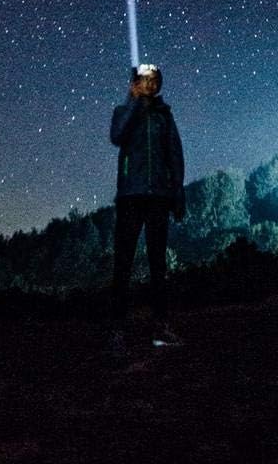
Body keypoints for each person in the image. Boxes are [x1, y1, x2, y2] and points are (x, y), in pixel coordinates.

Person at [106, 62, 186, 356]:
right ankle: (117, 332)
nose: (149, 84)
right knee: (123, 264)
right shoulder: (123, 111)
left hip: (158, 197)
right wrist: (133, 102)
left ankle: (161, 328)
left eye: (153, 79)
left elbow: (174, 154)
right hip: (129, 195)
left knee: (158, 265)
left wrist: (177, 192)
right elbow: (117, 136)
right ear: (135, 83)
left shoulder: (165, 116)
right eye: (144, 79)